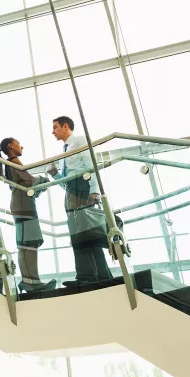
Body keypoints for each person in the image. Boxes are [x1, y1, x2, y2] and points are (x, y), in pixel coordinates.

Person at [46, 116, 113, 285]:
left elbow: (91, 164)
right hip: (71, 192)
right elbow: (66, 182)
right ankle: (87, 275)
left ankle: (96, 276)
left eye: (55, 127)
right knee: (78, 235)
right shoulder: (64, 151)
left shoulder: (79, 140)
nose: (53, 131)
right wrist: (55, 174)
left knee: (87, 233)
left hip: (83, 189)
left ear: (65, 126)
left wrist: (94, 190)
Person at [0, 137, 52, 292]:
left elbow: (28, 185)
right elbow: (29, 182)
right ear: (10, 145)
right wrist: (44, 180)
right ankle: (31, 281)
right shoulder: (14, 162)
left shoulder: (11, 163)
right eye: (19, 143)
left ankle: (30, 280)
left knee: (26, 243)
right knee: (29, 243)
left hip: (22, 205)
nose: (22, 146)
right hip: (24, 207)